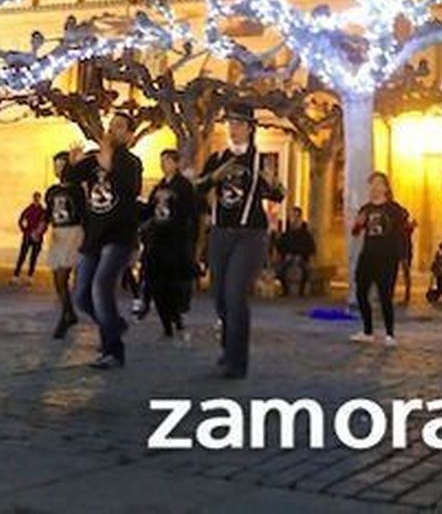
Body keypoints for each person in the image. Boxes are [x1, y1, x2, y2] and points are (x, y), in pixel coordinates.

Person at [196, 103, 284, 379]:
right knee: (219, 296)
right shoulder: (218, 157)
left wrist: (272, 182)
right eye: (230, 124)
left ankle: (237, 362)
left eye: (238, 124)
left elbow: (278, 195)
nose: (233, 129)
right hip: (221, 234)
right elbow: (198, 187)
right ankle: (227, 346)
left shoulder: (259, 161)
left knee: (235, 296)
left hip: (250, 235)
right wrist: (215, 177)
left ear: (249, 128)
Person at [62, 112, 144, 369]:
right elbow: (70, 179)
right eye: (112, 125)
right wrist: (72, 164)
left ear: (129, 135)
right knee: (81, 296)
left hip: (118, 235)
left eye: (120, 127)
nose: (113, 130)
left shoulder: (131, 162)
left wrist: (111, 167)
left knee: (101, 287)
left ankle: (112, 350)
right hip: (94, 236)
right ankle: (115, 326)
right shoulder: (95, 157)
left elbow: (132, 191)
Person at [142, 149, 199, 339]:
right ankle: (165, 319)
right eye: (162, 161)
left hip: (176, 240)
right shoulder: (158, 187)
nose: (164, 165)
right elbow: (150, 209)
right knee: (156, 281)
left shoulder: (184, 186)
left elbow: (192, 213)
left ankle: (175, 315)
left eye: (167, 161)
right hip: (157, 239)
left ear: (176, 163)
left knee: (172, 283)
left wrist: (193, 242)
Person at [350, 171, 409, 346]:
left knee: (385, 295)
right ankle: (368, 331)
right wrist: (358, 223)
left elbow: (404, 230)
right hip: (368, 255)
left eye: (378, 183)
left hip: (387, 257)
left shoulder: (394, 209)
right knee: (361, 292)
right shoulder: (366, 209)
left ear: (385, 187)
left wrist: (402, 253)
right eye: (372, 184)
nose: (374, 187)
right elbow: (355, 232)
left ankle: (390, 334)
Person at [43, 151, 85, 338]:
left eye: (61, 164)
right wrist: (41, 228)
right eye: (56, 165)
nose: (58, 168)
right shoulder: (51, 191)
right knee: (56, 278)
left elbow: (84, 213)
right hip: (57, 233)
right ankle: (69, 313)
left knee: (62, 276)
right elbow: (48, 212)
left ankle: (66, 316)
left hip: (72, 232)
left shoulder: (77, 190)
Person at [276, 206, 316, 297]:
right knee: (281, 269)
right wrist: (285, 254)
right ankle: (285, 290)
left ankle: (301, 291)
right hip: (288, 257)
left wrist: (301, 255)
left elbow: (310, 247)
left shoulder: (305, 233)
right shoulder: (287, 233)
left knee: (304, 269)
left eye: (295, 216)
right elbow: (281, 246)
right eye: (291, 216)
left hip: (301, 257)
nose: (293, 219)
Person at [14, 192, 48, 286]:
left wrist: (39, 233)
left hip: (37, 238)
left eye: (38, 198)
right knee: (22, 256)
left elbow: (45, 224)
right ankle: (16, 275)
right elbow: (21, 220)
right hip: (28, 236)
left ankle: (30, 276)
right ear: (33, 198)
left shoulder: (43, 211)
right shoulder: (28, 209)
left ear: (39, 199)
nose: (36, 199)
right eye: (35, 198)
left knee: (33, 257)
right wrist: (25, 230)